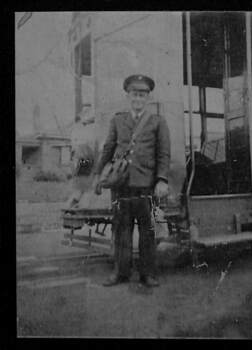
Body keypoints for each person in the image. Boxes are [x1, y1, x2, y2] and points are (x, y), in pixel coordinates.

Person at [93, 74, 171, 287]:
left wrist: (161, 180)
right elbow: (108, 149)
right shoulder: (118, 120)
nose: (138, 98)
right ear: (128, 96)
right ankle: (121, 273)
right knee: (121, 230)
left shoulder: (158, 121)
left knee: (148, 231)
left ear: (148, 97)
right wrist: (99, 176)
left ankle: (147, 274)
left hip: (146, 186)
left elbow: (163, 154)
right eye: (135, 94)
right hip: (121, 185)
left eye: (142, 95)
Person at [65, 107, 95, 209]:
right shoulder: (79, 130)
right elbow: (80, 148)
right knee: (84, 190)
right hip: (84, 160)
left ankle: (73, 207)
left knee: (83, 189)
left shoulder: (84, 129)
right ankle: (76, 208)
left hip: (85, 160)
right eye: (86, 114)